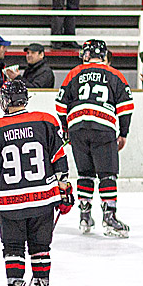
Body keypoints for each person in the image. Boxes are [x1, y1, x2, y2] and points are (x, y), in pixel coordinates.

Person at [0, 79, 71, 286]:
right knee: (41, 248)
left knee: (13, 249)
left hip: (11, 203)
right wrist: (64, 187)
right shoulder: (46, 121)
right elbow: (59, 158)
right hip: (44, 198)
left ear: (6, 101)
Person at [55, 39, 132, 237]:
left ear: (87, 54)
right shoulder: (114, 73)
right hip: (102, 127)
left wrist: (66, 128)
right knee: (107, 174)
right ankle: (109, 217)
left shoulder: (74, 72)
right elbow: (126, 106)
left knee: (85, 173)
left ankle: (85, 216)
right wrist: (123, 133)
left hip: (77, 128)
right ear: (104, 55)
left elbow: (60, 105)